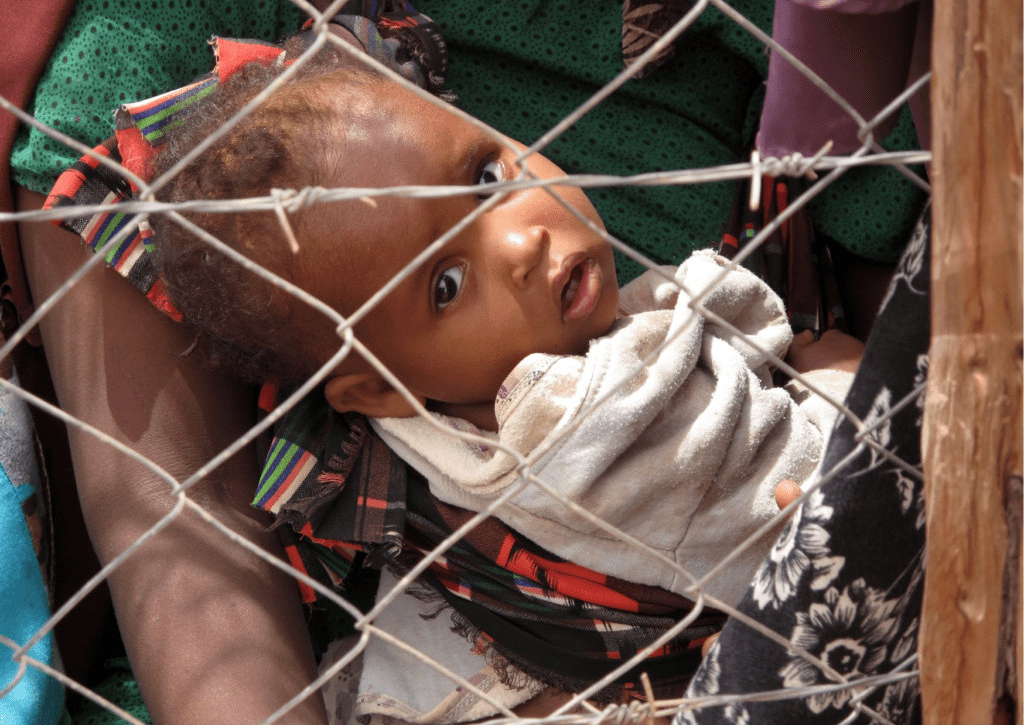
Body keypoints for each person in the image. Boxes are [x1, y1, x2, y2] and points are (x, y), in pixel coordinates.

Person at [89, 35, 862, 718]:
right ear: (384, 391)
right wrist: (837, 379)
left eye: (487, 179)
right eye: (447, 286)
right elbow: (773, 506)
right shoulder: (570, 418)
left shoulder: (502, 400)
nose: (521, 245)